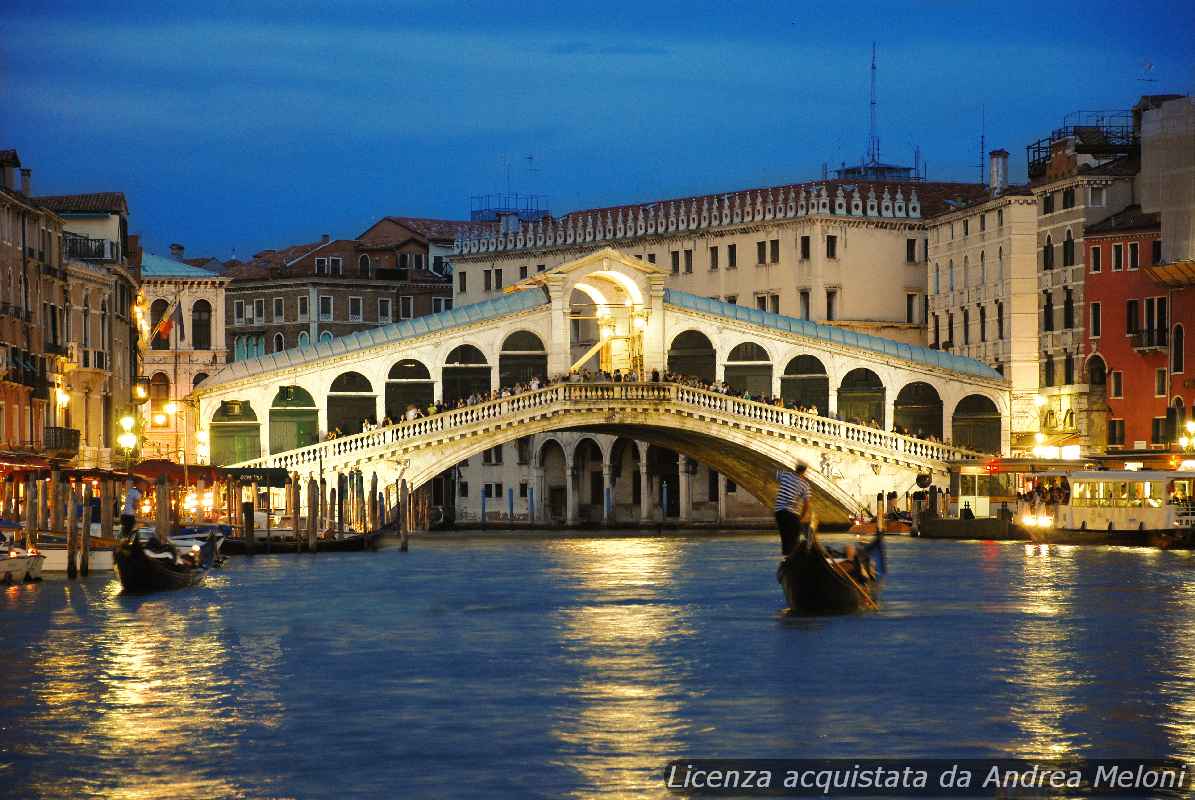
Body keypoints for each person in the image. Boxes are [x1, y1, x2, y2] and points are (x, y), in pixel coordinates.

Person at [774, 461, 811, 555]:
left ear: (795, 469)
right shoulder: (805, 485)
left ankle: (787, 557)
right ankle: (792, 557)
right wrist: (802, 518)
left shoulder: (786, 475)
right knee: (795, 537)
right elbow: (806, 504)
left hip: (779, 512)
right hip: (791, 513)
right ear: (804, 472)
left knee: (785, 537)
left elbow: (775, 473)